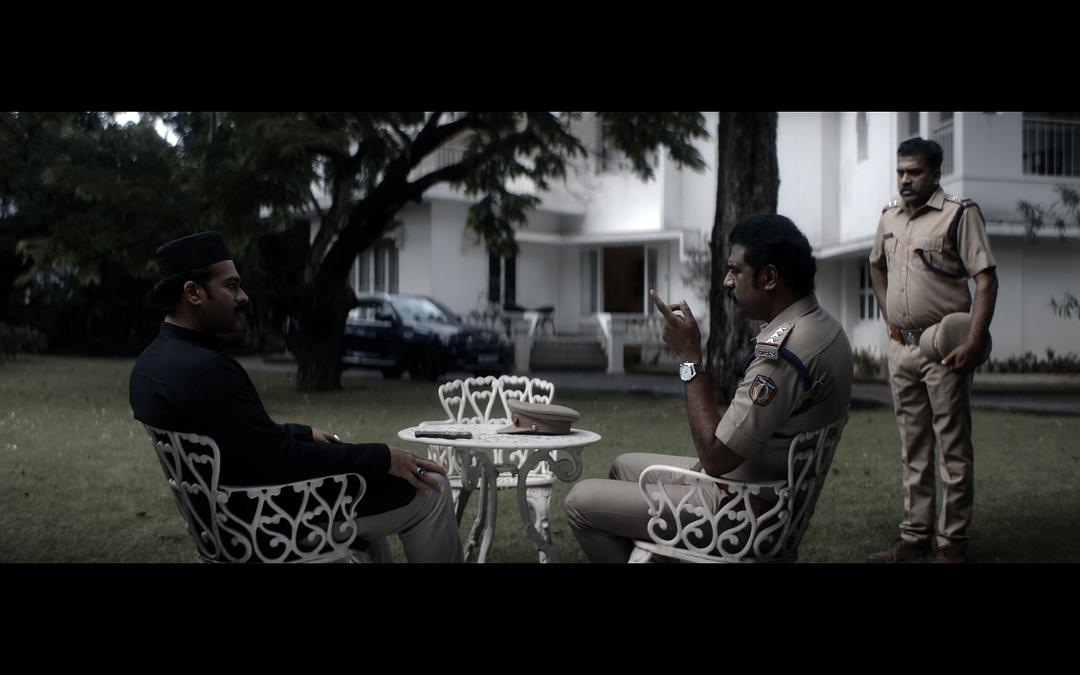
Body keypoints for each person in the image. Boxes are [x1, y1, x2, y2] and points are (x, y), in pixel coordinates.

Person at [130, 231, 463, 563]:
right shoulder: (209, 371)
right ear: (193, 293)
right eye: (231, 286)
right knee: (432, 487)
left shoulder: (151, 365)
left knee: (370, 478)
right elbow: (281, 459)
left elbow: (239, 436)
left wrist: (302, 433)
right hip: (270, 524)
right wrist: (381, 457)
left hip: (228, 521)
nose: (243, 297)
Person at [564, 214, 852, 562]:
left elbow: (715, 457)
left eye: (735, 271)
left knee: (579, 502)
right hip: (760, 491)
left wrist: (689, 359)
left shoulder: (784, 355)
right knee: (622, 466)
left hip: (741, 512)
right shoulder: (825, 328)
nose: (727, 282)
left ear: (769, 277)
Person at [867, 138, 998, 564]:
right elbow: (875, 265)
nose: (905, 179)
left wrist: (974, 341)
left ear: (936, 174)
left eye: (915, 172)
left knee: (953, 449)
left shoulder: (959, 215)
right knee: (913, 448)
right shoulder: (889, 217)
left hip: (945, 350)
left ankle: (952, 544)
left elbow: (985, 280)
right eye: (901, 172)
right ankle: (914, 537)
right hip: (900, 350)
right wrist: (887, 313)